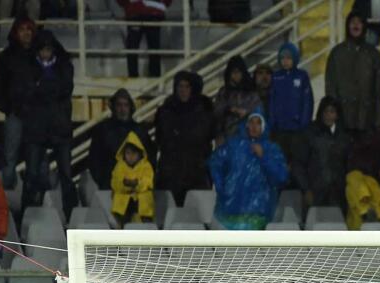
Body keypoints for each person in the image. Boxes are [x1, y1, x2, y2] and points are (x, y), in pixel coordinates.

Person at [14, 30, 77, 216]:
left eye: (48, 49)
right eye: (43, 50)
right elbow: (25, 93)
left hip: (59, 129)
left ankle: (71, 215)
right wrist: (45, 90)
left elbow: (64, 89)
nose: (45, 53)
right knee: (32, 175)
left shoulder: (64, 66)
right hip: (36, 129)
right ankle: (26, 215)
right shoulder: (28, 67)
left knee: (66, 175)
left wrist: (40, 89)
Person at [209, 111, 289, 230]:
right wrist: (222, 188)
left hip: (258, 212)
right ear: (246, 125)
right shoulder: (234, 145)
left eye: (258, 123)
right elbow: (215, 162)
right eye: (251, 122)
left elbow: (281, 176)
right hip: (231, 209)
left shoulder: (272, 149)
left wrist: (264, 157)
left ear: (263, 126)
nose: (254, 127)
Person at [0, 16, 36, 190]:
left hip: (36, 116)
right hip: (15, 115)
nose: (26, 33)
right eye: (22, 29)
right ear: (16, 32)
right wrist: (7, 107)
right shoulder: (5, 57)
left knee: (37, 159)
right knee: (9, 158)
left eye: (29, 29)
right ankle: (6, 199)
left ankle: (33, 201)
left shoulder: (39, 55)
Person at [154, 70, 214, 205]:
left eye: (187, 86)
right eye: (180, 86)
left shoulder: (203, 110)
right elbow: (161, 139)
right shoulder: (166, 110)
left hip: (196, 174)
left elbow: (206, 138)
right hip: (171, 174)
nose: (183, 90)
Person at [325, 12, 380, 137]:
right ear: (347, 26)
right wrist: (331, 114)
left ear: (364, 27)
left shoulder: (373, 54)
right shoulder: (337, 53)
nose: (355, 25)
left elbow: (379, 89)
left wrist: (379, 120)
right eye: (352, 22)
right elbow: (330, 88)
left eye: (359, 22)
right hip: (343, 119)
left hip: (367, 119)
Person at [292, 97, 352, 211]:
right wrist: (306, 190)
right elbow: (298, 164)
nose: (328, 115)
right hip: (315, 194)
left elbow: (349, 165)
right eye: (326, 111)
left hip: (338, 195)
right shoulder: (309, 133)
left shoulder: (344, 136)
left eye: (332, 112)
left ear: (337, 114)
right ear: (320, 113)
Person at [88, 88, 153, 190]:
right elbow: (94, 159)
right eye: (119, 105)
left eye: (126, 105)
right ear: (113, 107)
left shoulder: (140, 131)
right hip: (110, 187)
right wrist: (103, 181)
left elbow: (149, 157)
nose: (122, 109)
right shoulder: (102, 130)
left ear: (130, 107)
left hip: (135, 188)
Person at [268, 43, 313, 138]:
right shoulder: (276, 77)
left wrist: (304, 123)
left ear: (295, 58)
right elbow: (272, 101)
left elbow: (307, 101)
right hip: (280, 127)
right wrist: (273, 122)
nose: (285, 61)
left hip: (297, 127)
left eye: (289, 58)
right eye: (282, 58)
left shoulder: (302, 76)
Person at [117, 0, 171, 78]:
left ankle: (136, 76)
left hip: (139, 13)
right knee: (151, 46)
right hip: (148, 13)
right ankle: (153, 75)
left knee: (136, 46)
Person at [213, 55, 261, 143]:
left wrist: (247, 113)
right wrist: (230, 109)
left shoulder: (251, 91)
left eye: (238, 72)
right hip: (227, 138)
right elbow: (216, 112)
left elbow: (258, 112)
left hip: (248, 138)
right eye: (233, 72)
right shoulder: (224, 92)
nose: (236, 75)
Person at [110, 132, 154, 226]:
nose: (130, 156)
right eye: (128, 153)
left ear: (140, 153)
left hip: (142, 206)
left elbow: (148, 182)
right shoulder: (119, 166)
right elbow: (115, 183)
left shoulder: (146, 166)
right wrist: (125, 184)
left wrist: (137, 183)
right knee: (119, 197)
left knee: (146, 195)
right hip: (123, 208)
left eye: (134, 153)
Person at [345, 163, 380, 229]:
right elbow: (352, 176)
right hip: (358, 228)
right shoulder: (366, 179)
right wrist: (364, 194)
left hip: (378, 229)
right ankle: (366, 215)